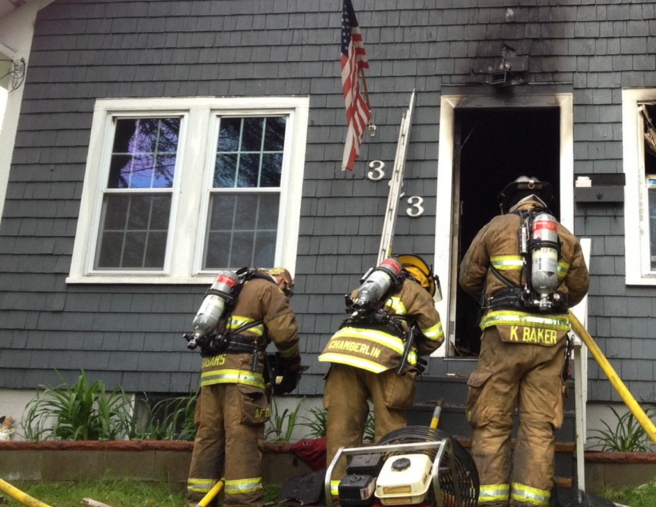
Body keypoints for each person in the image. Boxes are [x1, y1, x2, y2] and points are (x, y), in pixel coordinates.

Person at [459, 176, 589, 507]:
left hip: (502, 338)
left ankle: (489, 502)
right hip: (550, 341)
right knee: (538, 429)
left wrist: (497, 302)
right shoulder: (565, 237)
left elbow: (468, 278)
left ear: (511, 202)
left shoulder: (495, 227)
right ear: (544, 203)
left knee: (491, 423)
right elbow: (577, 290)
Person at [319, 254, 444, 497]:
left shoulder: (364, 288)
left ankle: (338, 494)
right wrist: (412, 348)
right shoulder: (415, 290)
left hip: (343, 355)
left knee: (342, 426)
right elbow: (435, 334)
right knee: (390, 426)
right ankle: (391, 491)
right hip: (386, 362)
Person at [186, 267, 301, 507]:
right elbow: (285, 335)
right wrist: (292, 363)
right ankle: (242, 503)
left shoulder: (234, 289)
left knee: (208, 438)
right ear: (281, 281)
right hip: (241, 379)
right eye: (287, 289)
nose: (286, 294)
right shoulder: (268, 289)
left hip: (211, 376)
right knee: (242, 440)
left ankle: (200, 500)